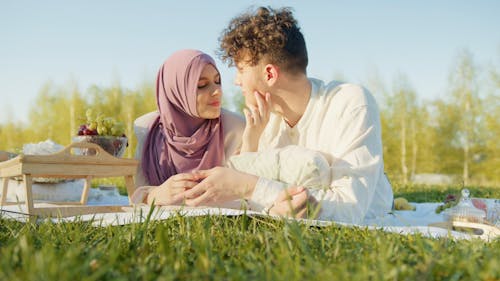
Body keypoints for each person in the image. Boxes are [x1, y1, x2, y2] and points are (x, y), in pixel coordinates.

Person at [176, 7, 394, 223]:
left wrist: (248, 185)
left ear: (269, 74)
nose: (236, 81)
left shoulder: (349, 102)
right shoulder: (264, 121)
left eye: (241, 69)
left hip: (373, 212)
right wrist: (251, 141)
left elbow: (349, 208)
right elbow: (253, 203)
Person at [131, 49, 245, 207]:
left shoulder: (234, 127)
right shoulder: (148, 130)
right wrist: (156, 194)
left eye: (218, 81)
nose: (217, 91)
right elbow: (136, 194)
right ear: (176, 92)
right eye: (202, 85)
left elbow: (244, 193)